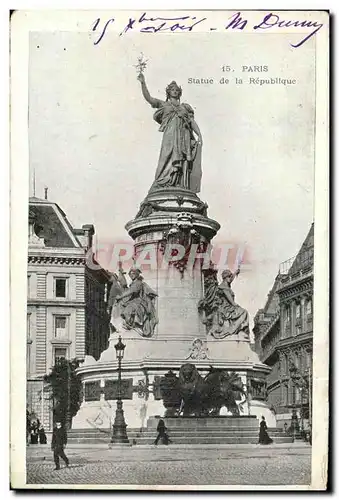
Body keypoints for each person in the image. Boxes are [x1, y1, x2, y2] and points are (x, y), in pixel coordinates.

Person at [137, 73, 203, 192]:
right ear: (168, 92)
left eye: (177, 90)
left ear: (179, 93)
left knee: (183, 160)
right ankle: (163, 181)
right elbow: (149, 98)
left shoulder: (185, 107)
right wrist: (143, 83)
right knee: (166, 157)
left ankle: (180, 184)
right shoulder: (164, 104)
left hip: (184, 137)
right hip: (170, 136)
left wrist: (199, 135)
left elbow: (192, 122)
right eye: (172, 90)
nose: (175, 91)